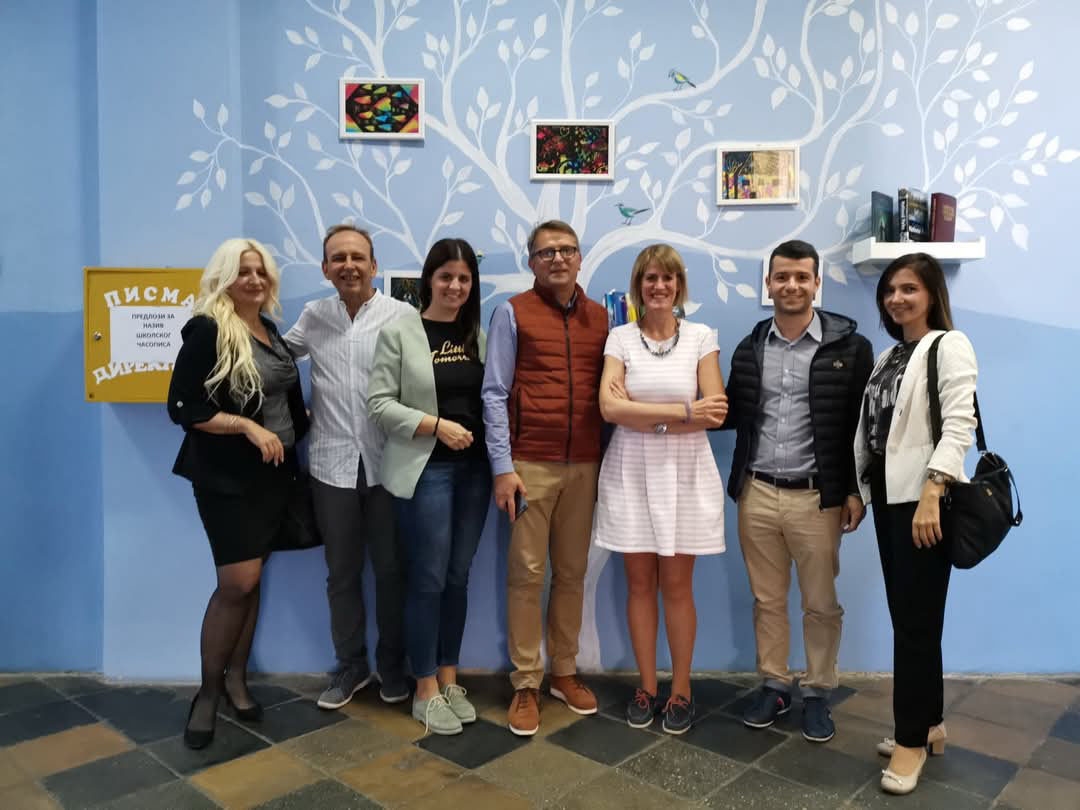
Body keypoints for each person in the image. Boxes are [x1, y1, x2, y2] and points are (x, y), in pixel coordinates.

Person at [724, 239, 873, 743]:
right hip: (758, 492)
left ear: (816, 283)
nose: (791, 285)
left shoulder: (850, 349)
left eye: (801, 277)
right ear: (768, 284)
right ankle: (774, 683)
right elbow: (732, 411)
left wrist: (855, 491)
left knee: (820, 603)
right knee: (767, 600)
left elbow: (860, 428)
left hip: (817, 497)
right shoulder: (750, 347)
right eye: (782, 277)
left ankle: (817, 692)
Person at [167, 238, 310, 749]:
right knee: (237, 583)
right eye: (243, 271)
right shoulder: (208, 329)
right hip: (226, 478)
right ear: (224, 278)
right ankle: (207, 694)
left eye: (261, 271)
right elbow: (183, 406)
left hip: (275, 476)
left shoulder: (269, 329)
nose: (254, 279)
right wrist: (247, 427)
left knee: (252, 581)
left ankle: (237, 682)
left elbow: (285, 398)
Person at [854, 253, 977, 795]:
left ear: (931, 294)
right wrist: (861, 491)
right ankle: (930, 723)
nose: (897, 298)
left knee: (914, 624)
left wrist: (934, 490)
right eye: (890, 290)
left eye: (909, 288)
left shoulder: (949, 344)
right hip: (890, 497)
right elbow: (875, 428)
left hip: (924, 499)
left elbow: (960, 423)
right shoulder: (890, 354)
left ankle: (911, 743)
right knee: (914, 618)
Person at [481, 219, 608, 736]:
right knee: (527, 574)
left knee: (573, 572)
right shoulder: (512, 313)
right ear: (531, 261)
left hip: (585, 465)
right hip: (529, 464)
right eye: (546, 252)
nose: (557, 259)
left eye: (566, 250)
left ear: (580, 258)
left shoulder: (602, 318)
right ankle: (526, 682)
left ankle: (564, 672)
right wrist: (502, 468)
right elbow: (494, 393)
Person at [594, 244, 728, 735]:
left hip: (684, 473)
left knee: (676, 587)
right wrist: (683, 411)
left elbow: (716, 411)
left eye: (667, 278)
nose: (659, 286)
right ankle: (647, 687)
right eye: (650, 278)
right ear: (638, 286)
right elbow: (609, 409)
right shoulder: (620, 339)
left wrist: (643, 414)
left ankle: (681, 689)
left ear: (679, 286)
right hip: (630, 470)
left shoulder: (701, 337)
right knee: (638, 585)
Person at [283, 225, 413, 709]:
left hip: (389, 465)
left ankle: (393, 666)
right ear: (325, 268)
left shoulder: (402, 316)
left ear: (374, 266)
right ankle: (351, 666)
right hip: (331, 465)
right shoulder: (314, 317)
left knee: (392, 572)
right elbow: (274, 362)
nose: (348, 266)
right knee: (341, 574)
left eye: (358, 257)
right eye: (338, 258)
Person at [368, 238, 492, 735]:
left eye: (464, 278)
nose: (455, 286)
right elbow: (379, 405)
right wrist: (435, 426)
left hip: (475, 474)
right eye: (446, 277)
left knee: (458, 577)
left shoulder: (477, 335)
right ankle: (423, 689)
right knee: (428, 579)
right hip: (427, 472)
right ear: (429, 280)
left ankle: (448, 678)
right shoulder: (400, 331)